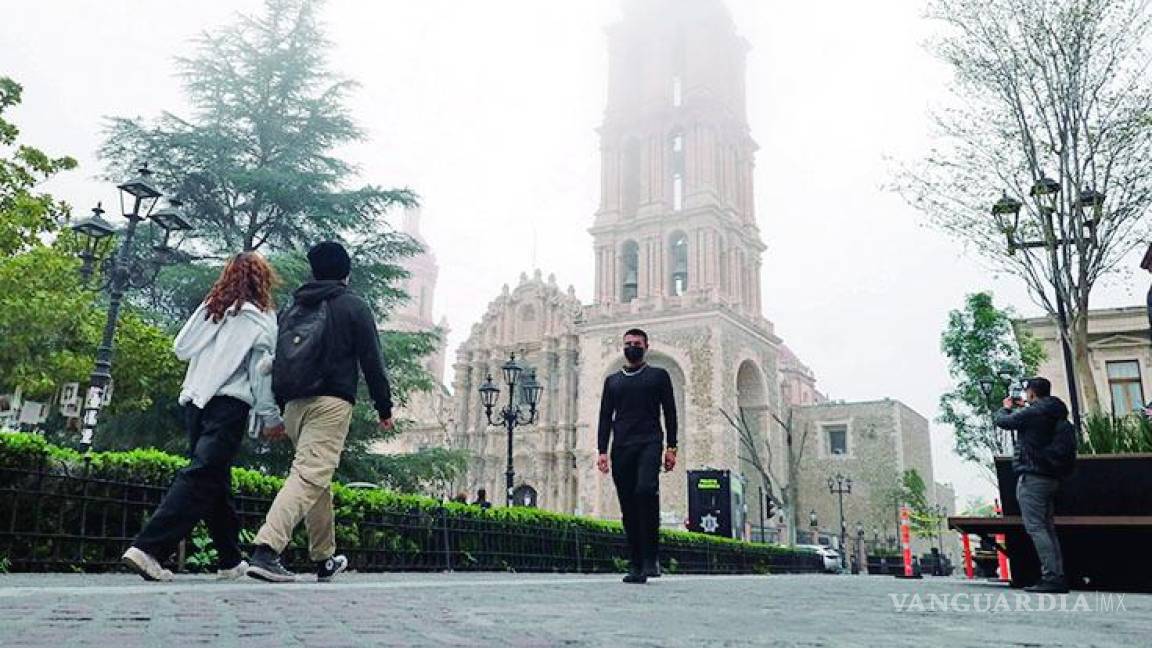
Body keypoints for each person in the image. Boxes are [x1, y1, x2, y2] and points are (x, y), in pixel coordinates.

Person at [122, 252, 282, 582]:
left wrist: (211, 309)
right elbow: (260, 372)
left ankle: (229, 559)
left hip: (195, 401)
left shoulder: (213, 309)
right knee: (201, 476)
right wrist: (269, 416)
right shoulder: (261, 319)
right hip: (229, 404)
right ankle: (149, 548)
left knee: (214, 480)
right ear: (262, 280)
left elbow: (181, 348)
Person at [246, 241, 393, 583]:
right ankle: (266, 549)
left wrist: (276, 409)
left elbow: (277, 358)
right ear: (346, 272)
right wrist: (383, 407)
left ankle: (324, 556)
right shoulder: (354, 305)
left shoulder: (293, 307)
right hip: (331, 402)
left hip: (294, 403)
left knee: (316, 477)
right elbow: (372, 360)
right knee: (310, 474)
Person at [596, 328, 678, 584]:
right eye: (628, 343)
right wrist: (601, 451)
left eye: (636, 343)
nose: (632, 347)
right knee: (628, 505)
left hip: (650, 442)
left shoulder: (659, 376)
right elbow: (604, 417)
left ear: (646, 346)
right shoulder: (612, 381)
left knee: (645, 490)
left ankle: (651, 556)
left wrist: (672, 448)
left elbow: (671, 412)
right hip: (621, 446)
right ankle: (636, 563)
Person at [994, 376, 1075, 593]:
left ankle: (1051, 577)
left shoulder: (1035, 413)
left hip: (1033, 477)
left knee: (1037, 528)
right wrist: (1025, 408)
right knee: (1047, 528)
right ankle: (1057, 575)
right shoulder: (1053, 411)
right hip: (1051, 477)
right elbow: (1031, 419)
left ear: (1031, 393)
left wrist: (1005, 408)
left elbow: (1004, 422)